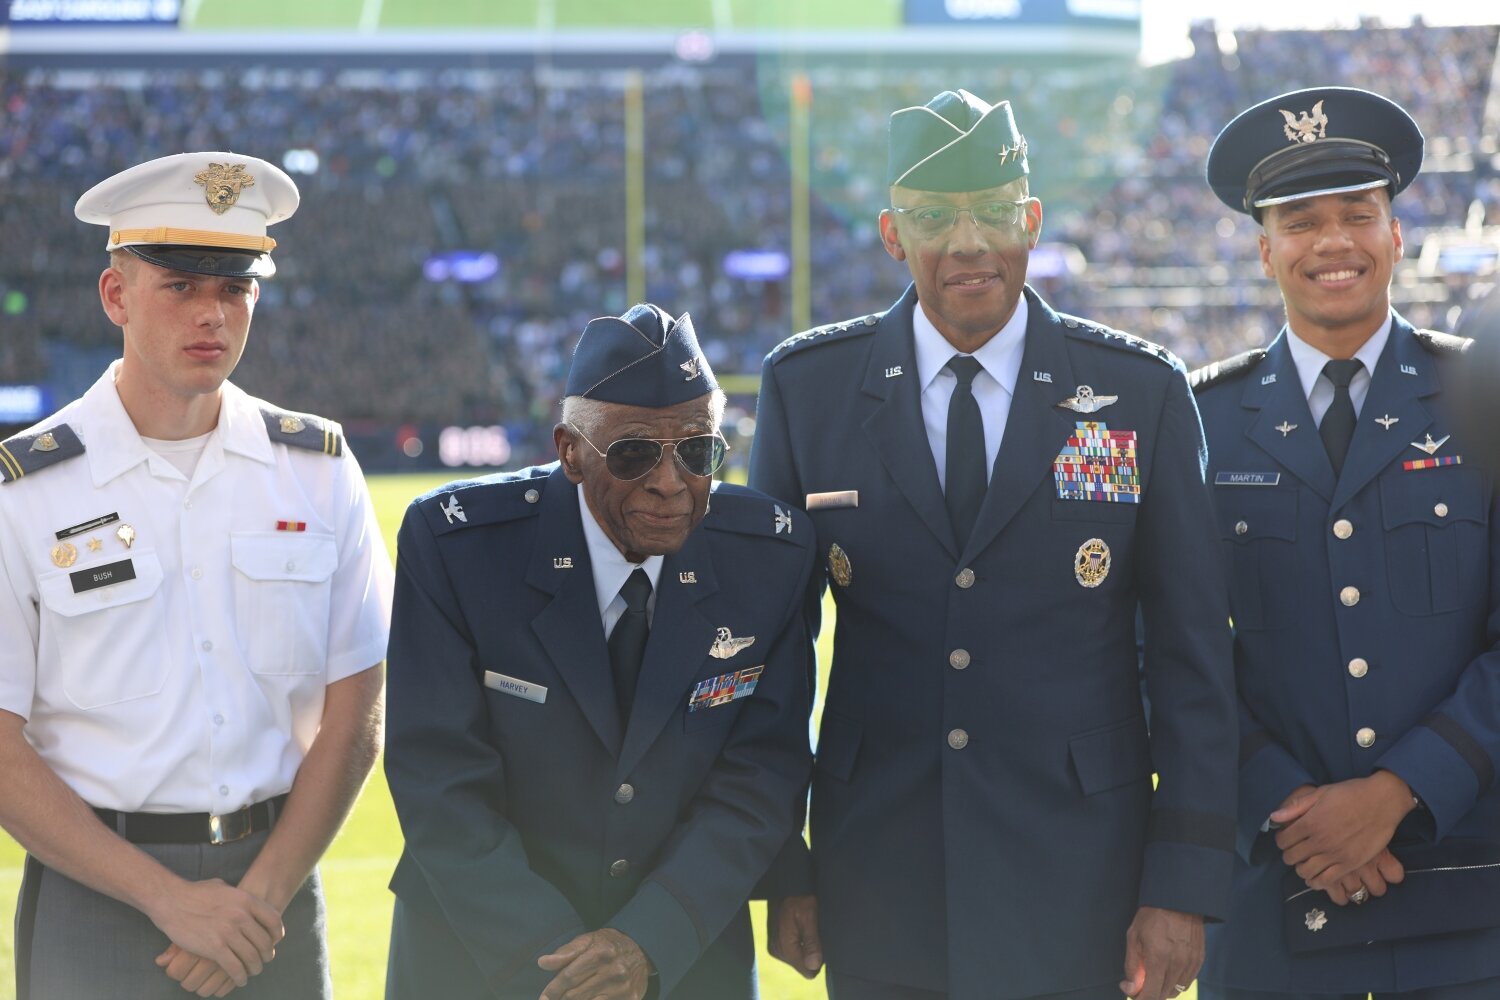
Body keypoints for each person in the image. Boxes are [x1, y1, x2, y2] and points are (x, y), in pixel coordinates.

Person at [748, 88, 1238, 1000]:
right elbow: (772, 656)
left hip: (1083, 872)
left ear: (1034, 222)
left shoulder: (1139, 392)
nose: (969, 242)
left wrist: (1184, 882)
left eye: (995, 214)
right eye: (935, 218)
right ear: (893, 235)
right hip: (879, 872)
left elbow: (1193, 657)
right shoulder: (807, 392)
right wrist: (785, 861)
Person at [0, 152, 393, 999]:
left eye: (236, 287)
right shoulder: (27, 492)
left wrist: (260, 895)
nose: (213, 312)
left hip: (272, 901)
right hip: (97, 900)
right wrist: (169, 900)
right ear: (116, 297)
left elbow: (357, 707)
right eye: (180, 284)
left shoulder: (317, 470)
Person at [383, 303, 817, 1000]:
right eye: (636, 452)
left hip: (682, 956)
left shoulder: (768, 557)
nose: (672, 482)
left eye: (699, 451)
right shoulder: (459, 548)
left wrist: (647, 940)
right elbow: (437, 776)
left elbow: (762, 773)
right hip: (478, 956)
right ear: (570, 451)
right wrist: (563, 962)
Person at [1192, 86, 1500, 999]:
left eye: (1357, 215)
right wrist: (1291, 813)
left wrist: (1399, 791)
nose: (1333, 242)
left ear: (1395, 234)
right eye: (1300, 221)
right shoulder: (1199, 420)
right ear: (1264, 248)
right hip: (1269, 897)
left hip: (1464, 888)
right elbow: (1168, 647)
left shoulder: (1483, 401)